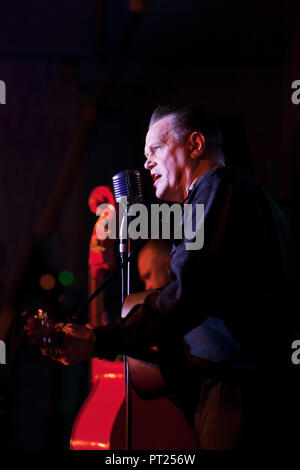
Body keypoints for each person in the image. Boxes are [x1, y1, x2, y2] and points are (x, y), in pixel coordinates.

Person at [41, 105, 298, 449]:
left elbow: (186, 297)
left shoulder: (218, 189)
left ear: (195, 145)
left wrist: (98, 340)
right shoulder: (236, 196)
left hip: (239, 394)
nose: (146, 163)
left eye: (156, 150)